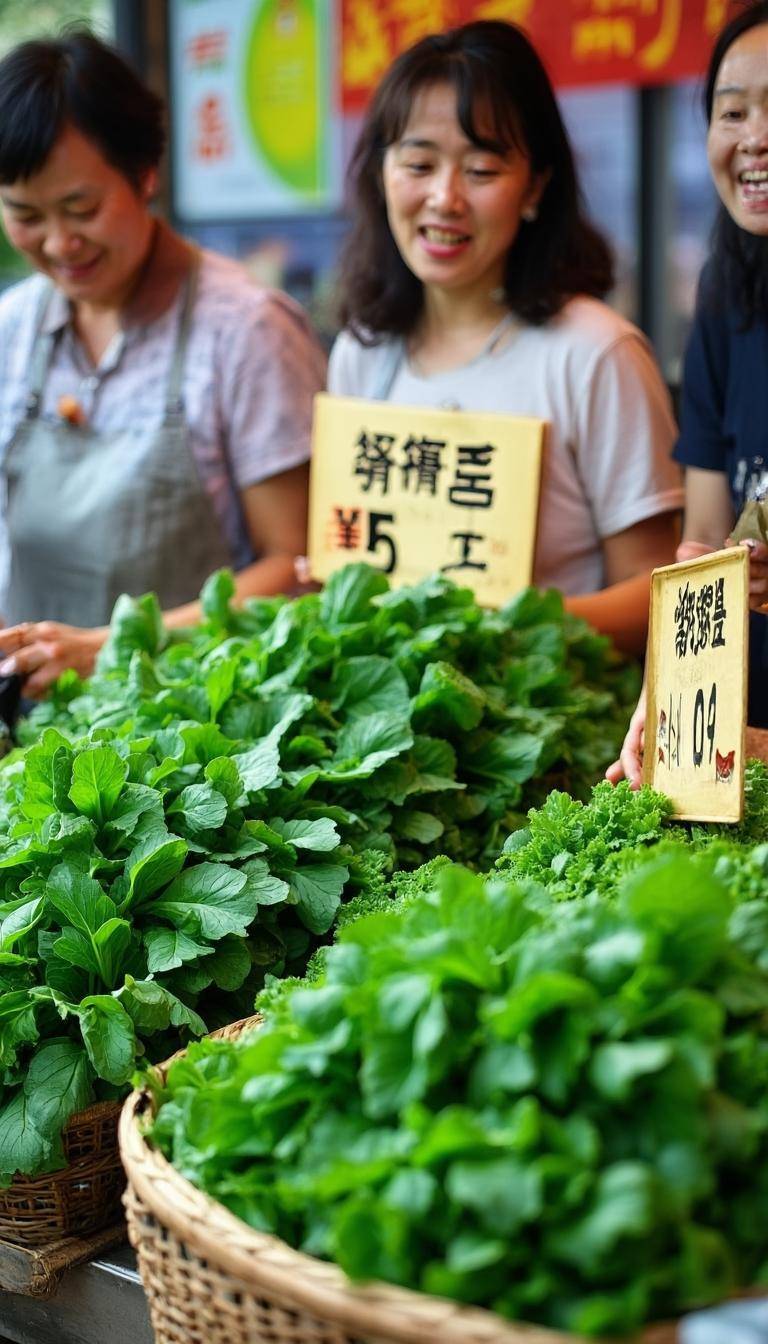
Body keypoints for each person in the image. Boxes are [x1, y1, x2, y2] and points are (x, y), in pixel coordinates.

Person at [327, 20, 683, 656]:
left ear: (535, 187)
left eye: (481, 169)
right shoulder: (363, 352)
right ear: (380, 173)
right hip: (394, 707)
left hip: (552, 711)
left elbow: (660, 596)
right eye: (418, 164)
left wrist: (503, 629)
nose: (444, 198)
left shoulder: (595, 354)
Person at [0, 31, 325, 698]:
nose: (59, 243)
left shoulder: (246, 330)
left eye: (82, 209)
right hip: (32, 721)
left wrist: (117, 646)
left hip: (197, 722)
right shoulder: (12, 329)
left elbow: (297, 568)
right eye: (25, 214)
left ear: (146, 174)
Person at [608, 1, 768, 786]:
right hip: (746, 723)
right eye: (732, 112)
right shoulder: (726, 295)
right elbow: (703, 536)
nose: (754, 139)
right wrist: (666, 700)